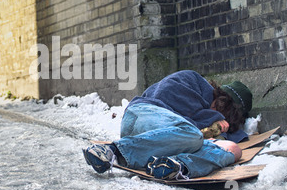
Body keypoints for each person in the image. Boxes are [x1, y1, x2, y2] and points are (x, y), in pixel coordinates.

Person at [83, 70, 253, 180]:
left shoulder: (200, 124)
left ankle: (175, 166)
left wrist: (220, 133)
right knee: (193, 134)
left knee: (233, 149)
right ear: (223, 103)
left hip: (163, 143)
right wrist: (211, 118)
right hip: (142, 116)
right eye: (223, 115)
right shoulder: (193, 80)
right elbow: (166, 94)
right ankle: (112, 151)